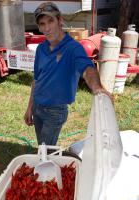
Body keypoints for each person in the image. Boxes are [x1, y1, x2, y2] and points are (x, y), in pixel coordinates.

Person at [24, 1, 110, 145]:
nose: (47, 28)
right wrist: (29, 108)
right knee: (43, 148)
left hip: (54, 111)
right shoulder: (41, 49)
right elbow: (36, 80)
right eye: (42, 24)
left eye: (50, 21)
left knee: (45, 151)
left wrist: (97, 87)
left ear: (60, 20)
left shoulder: (73, 48)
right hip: (38, 107)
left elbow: (87, 69)